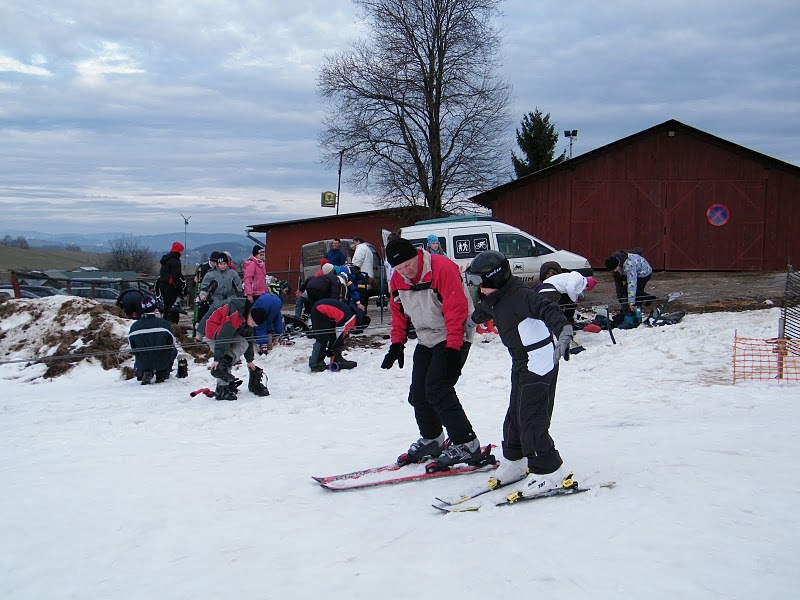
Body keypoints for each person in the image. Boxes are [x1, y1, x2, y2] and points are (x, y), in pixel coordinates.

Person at [467, 250, 573, 494]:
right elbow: (486, 311)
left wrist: (564, 331)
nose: (479, 290)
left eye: (481, 285)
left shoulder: (521, 296)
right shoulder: (497, 298)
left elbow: (548, 309)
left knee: (531, 417)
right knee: (514, 414)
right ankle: (516, 461)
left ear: (495, 279)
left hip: (539, 362)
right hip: (521, 361)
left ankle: (548, 470)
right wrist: (470, 321)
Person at [380, 237, 482, 468]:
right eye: (399, 268)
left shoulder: (441, 267)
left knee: (438, 389)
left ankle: (467, 444)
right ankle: (433, 439)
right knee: (418, 394)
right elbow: (398, 314)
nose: (405, 271)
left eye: (408, 264)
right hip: (427, 337)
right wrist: (397, 344)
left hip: (453, 332)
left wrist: (454, 347)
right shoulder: (397, 279)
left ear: (417, 255)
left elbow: (457, 309)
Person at [203, 298, 270, 400]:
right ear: (250, 316)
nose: (253, 326)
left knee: (242, 344)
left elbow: (248, 340)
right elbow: (224, 338)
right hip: (214, 331)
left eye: (255, 325)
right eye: (253, 323)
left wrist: (250, 361)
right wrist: (217, 359)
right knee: (224, 356)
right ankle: (221, 389)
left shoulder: (247, 318)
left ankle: (224, 370)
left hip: (227, 334)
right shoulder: (236, 315)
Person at [128, 295, 178, 385]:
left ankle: (143, 372)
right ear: (155, 309)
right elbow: (172, 343)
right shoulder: (164, 324)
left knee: (140, 354)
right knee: (174, 350)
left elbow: (132, 349)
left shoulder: (134, 327)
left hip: (143, 362)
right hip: (161, 360)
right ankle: (162, 374)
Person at [308, 298, 361, 372]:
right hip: (319, 311)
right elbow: (340, 334)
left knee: (333, 334)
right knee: (322, 337)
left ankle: (337, 358)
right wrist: (331, 350)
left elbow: (337, 334)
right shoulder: (351, 320)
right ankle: (315, 363)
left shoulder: (350, 314)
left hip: (322, 310)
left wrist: (332, 349)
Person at [197, 253, 243, 337]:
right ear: (217, 264)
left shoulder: (233, 274)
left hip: (230, 299)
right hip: (216, 299)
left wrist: (239, 299)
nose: (223, 266)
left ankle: (232, 335)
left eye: (224, 264)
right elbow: (205, 287)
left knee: (231, 318)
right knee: (209, 316)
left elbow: (238, 288)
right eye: (220, 264)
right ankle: (199, 335)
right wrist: (203, 295)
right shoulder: (210, 274)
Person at [605, 250, 653, 325]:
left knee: (635, 293)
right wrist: (621, 298)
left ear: (618, 265)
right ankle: (629, 312)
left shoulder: (629, 265)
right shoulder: (615, 261)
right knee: (625, 292)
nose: (614, 271)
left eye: (614, 269)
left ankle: (645, 301)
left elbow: (632, 284)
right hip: (630, 272)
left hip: (644, 273)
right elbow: (618, 284)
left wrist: (631, 303)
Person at [157, 241, 188, 324]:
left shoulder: (166, 260)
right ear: (179, 251)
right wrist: (180, 291)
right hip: (171, 287)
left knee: (166, 306)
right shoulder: (175, 261)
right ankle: (172, 324)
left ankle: (165, 322)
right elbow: (176, 277)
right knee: (172, 308)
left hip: (163, 285)